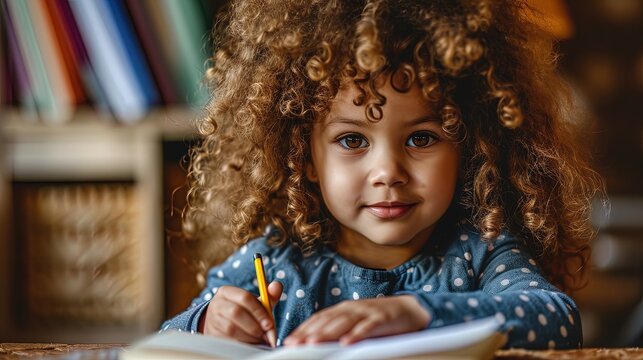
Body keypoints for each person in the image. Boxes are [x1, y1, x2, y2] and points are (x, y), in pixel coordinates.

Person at [161, 0, 605, 350]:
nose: (388, 172)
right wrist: (207, 322)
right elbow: (166, 342)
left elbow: (556, 318)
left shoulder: (479, 255)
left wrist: (418, 313)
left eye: (421, 139)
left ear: (468, 147)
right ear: (305, 158)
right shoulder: (275, 261)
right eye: (353, 141)